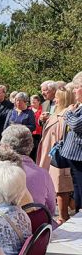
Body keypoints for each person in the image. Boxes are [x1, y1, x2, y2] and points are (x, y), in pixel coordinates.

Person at [37, 88, 75, 223]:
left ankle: (63, 217)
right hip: (49, 153)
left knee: (60, 186)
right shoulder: (57, 113)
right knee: (54, 185)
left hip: (58, 156)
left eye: (57, 97)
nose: (54, 100)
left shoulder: (66, 114)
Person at [61, 71, 82, 210]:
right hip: (73, 156)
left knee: (80, 186)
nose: (74, 91)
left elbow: (76, 125)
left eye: (76, 87)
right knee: (76, 187)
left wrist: (68, 112)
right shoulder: (79, 105)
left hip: (79, 155)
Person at [30, 94, 44, 160]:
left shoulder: (43, 109)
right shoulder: (28, 109)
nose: (32, 104)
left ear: (39, 102)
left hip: (39, 134)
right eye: (31, 102)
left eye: (34, 102)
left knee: (37, 152)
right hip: (30, 133)